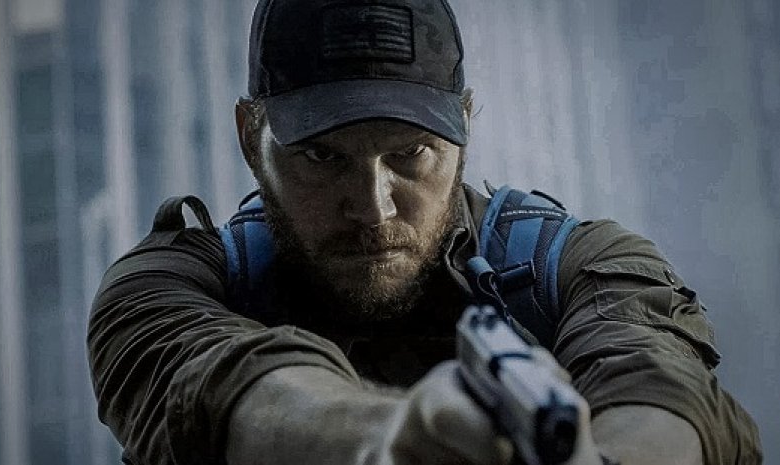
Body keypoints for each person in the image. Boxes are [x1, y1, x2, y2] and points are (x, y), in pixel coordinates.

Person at [87, 0, 762, 464]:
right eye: (323, 156)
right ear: (249, 136)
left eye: (410, 153)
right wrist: (387, 438)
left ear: (463, 126)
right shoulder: (167, 286)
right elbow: (218, 387)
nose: (373, 208)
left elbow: (656, 380)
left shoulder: (578, 265)